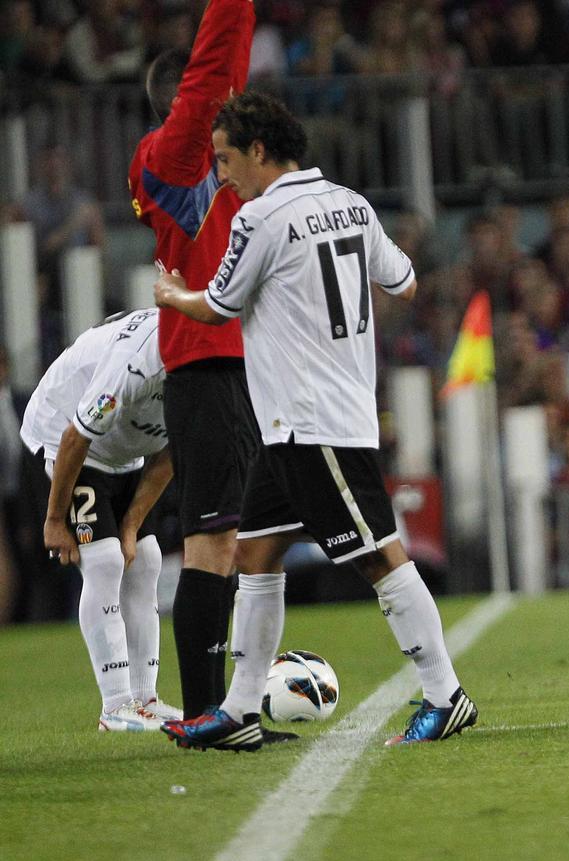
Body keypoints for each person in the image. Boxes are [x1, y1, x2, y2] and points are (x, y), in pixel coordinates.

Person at [153, 91, 476, 751]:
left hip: (312, 420)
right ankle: (241, 708)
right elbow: (405, 283)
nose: (222, 175)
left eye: (226, 159)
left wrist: (170, 294)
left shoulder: (262, 217)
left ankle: (446, 695)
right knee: (257, 552)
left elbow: (217, 306)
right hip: (301, 420)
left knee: (381, 558)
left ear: (261, 151)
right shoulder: (352, 203)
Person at [128, 0, 258, 721]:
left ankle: (223, 711)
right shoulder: (171, 161)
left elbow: (224, 79)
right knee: (211, 541)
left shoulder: (213, 163)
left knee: (232, 540)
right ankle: (207, 715)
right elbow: (213, 74)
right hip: (206, 365)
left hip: (237, 363)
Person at [19, 309, 181, 730]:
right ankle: (115, 705)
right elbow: (76, 435)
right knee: (106, 560)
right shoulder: (135, 362)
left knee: (146, 560)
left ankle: (145, 699)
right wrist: (55, 520)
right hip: (66, 434)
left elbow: (171, 454)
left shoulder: (211, 370)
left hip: (126, 449)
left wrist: (131, 526)